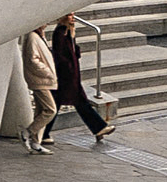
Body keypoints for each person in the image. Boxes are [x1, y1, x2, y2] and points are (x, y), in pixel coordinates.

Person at [50, 10, 111, 146]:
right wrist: (69, 68)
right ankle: (99, 128)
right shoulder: (61, 33)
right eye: (70, 15)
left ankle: (99, 128)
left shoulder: (68, 32)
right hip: (67, 76)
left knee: (61, 103)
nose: (73, 18)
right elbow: (60, 56)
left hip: (70, 76)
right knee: (78, 102)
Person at [18, 25, 60, 153]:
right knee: (50, 109)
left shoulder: (40, 35)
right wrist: (48, 73)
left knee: (41, 110)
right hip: (39, 80)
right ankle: (27, 132)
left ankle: (36, 142)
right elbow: (33, 59)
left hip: (42, 80)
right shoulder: (33, 36)